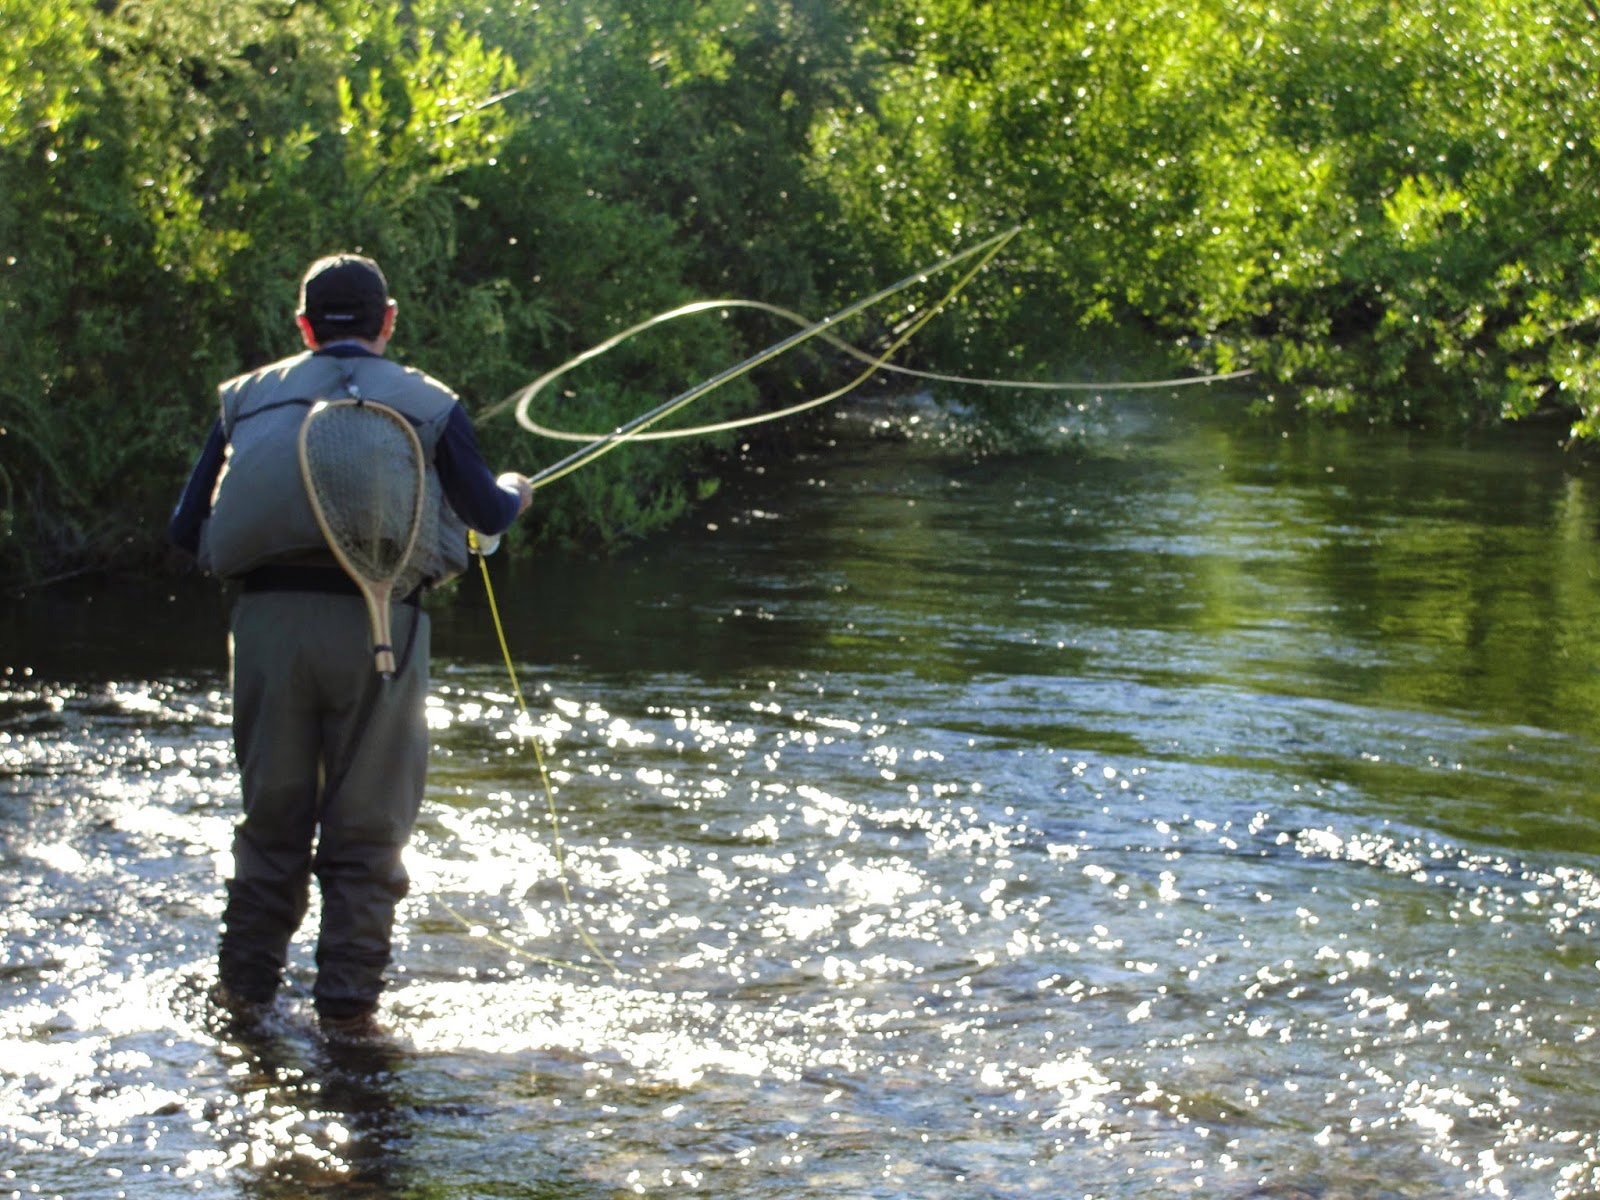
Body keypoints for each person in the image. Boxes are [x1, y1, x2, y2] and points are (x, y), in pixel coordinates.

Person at [169, 253, 533, 1044]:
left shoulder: (245, 399)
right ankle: (348, 1019)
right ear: (388, 322)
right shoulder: (431, 403)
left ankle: (243, 1000)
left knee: (271, 821)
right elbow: (485, 512)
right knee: (366, 830)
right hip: (380, 632)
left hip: (266, 630)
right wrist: (515, 492)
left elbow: (184, 529)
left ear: (302, 326)